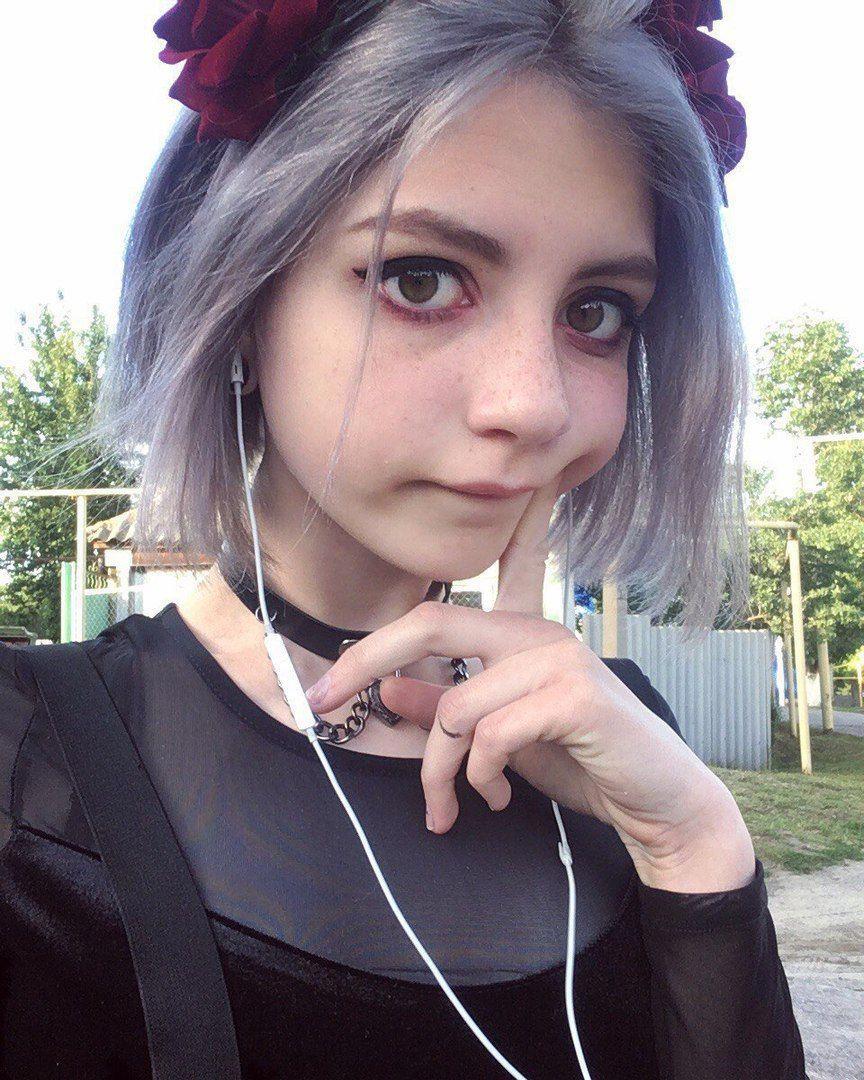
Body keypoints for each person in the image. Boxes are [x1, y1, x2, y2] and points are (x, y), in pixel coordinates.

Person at [0, 1, 808, 1076]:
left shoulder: (618, 739)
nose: (534, 405)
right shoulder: (29, 760)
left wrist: (698, 845)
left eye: (597, 311)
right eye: (421, 278)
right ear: (237, 300)